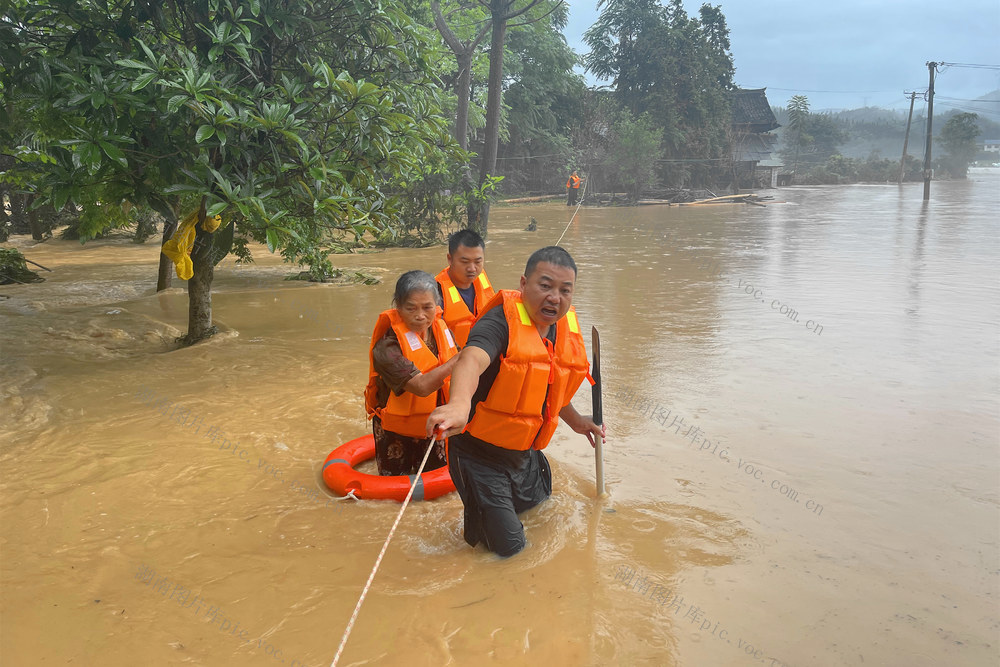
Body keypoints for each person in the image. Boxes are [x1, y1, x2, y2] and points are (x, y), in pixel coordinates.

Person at [427, 246, 606, 557]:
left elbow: (547, 386)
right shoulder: (498, 324)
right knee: (509, 552)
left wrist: (577, 421)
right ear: (524, 284)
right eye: (545, 285)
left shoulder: (562, 328)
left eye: (565, 290)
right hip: (479, 457)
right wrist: (458, 405)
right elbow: (470, 360)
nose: (555, 298)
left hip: (525, 456)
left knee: (542, 518)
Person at [364, 270, 458, 476]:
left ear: (437, 305)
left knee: (436, 488)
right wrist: (461, 359)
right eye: (411, 308)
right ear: (398, 306)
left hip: (433, 424)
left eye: (427, 307)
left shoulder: (442, 331)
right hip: (396, 430)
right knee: (394, 489)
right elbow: (421, 387)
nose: (420, 316)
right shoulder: (386, 347)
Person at [435, 229, 496, 348]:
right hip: (456, 357)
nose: (472, 268)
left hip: (484, 350)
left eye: (478, 262)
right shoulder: (436, 290)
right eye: (465, 262)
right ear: (450, 259)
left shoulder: (482, 278)